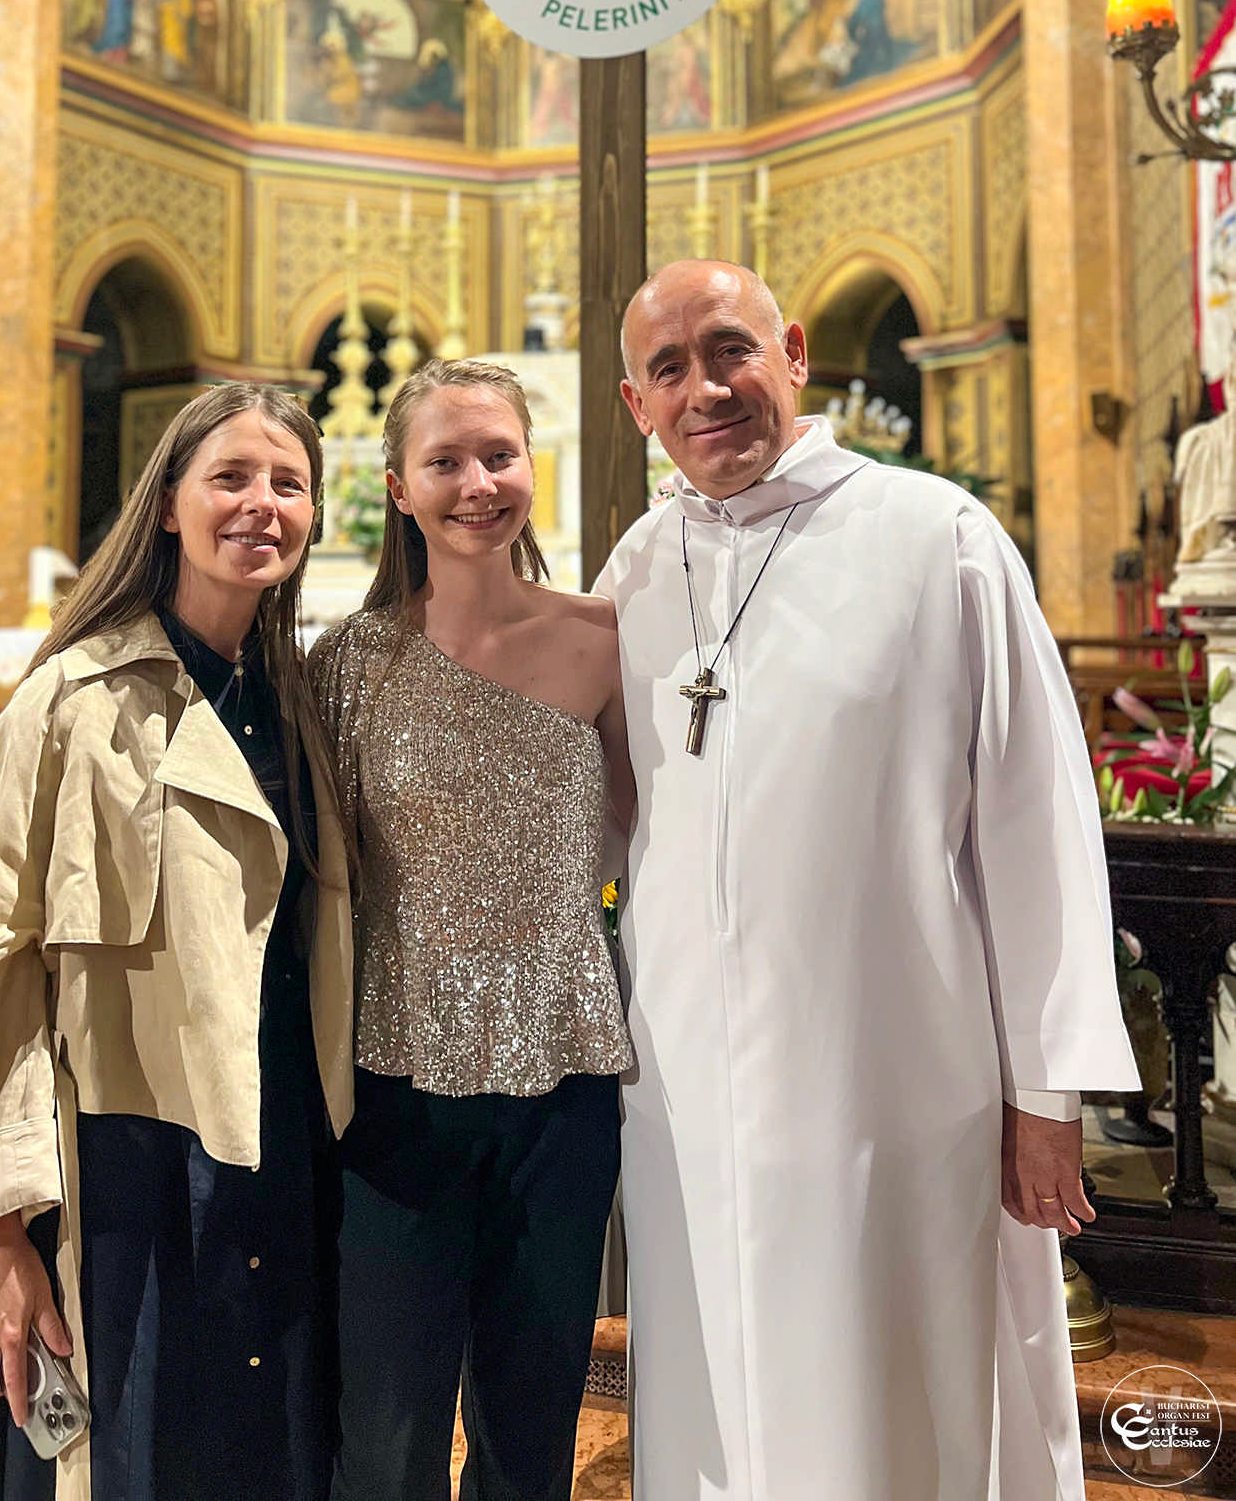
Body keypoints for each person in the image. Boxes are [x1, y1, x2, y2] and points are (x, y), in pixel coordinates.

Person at [597, 260, 1139, 1501]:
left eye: (729, 349)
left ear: (792, 352)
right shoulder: (635, 568)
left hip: (895, 1080)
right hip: (686, 1095)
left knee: (902, 1387)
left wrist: (1045, 1089)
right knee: (714, 1387)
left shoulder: (934, 536)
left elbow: (1037, 820)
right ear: (636, 405)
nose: (704, 389)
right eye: (669, 369)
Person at [0, 384, 354, 1501]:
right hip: (127, 1167)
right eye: (230, 477)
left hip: (280, 1149)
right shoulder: (68, 701)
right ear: (168, 504)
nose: (262, 504)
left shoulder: (297, 704)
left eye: (289, 483)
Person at [308, 357, 633, 1501]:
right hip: (395, 1082)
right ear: (399, 487)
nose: (476, 483)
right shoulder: (349, 662)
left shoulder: (606, 637)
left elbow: (646, 839)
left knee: (532, 1421)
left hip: (561, 1081)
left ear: (531, 464)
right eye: (444, 461)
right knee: (385, 1433)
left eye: (498, 454)